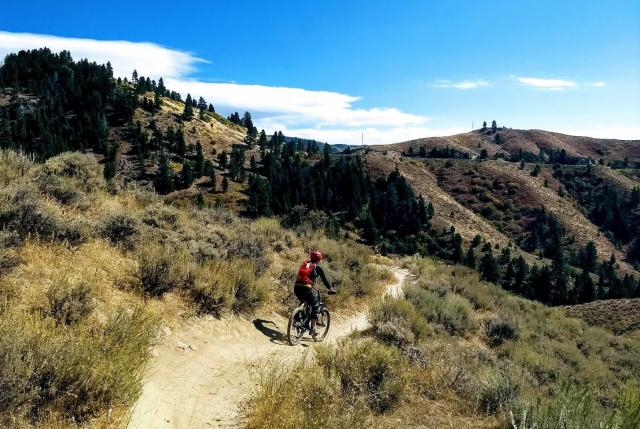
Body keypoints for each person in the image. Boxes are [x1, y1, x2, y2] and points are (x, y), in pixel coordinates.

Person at [294, 250, 335, 337]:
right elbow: (325, 281)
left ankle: (297, 319)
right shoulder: (318, 268)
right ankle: (313, 329)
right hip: (307, 288)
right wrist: (331, 289)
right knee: (315, 306)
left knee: (303, 301)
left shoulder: (305, 264)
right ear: (319, 259)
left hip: (297, 287)